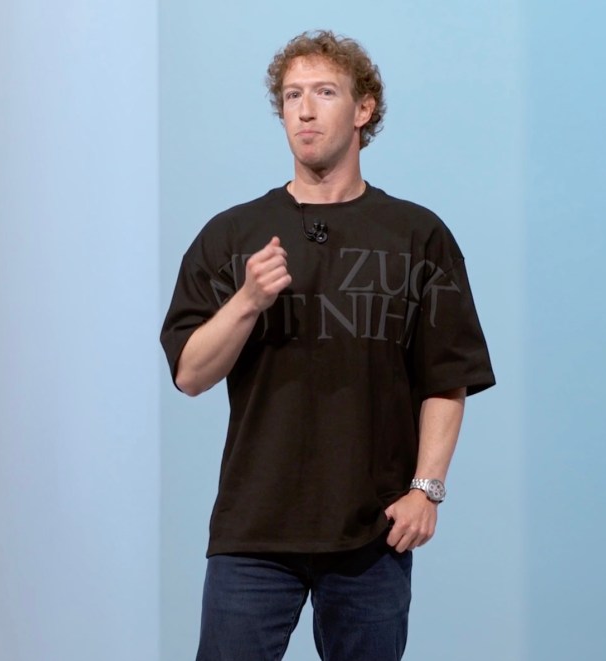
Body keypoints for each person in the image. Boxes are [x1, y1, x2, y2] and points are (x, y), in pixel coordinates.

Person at [160, 29, 495, 661]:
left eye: (323, 92)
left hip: (373, 532)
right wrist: (247, 301)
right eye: (292, 96)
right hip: (254, 528)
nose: (305, 111)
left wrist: (426, 489)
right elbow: (190, 374)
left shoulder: (417, 235)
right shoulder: (233, 235)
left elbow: (447, 377)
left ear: (363, 108)